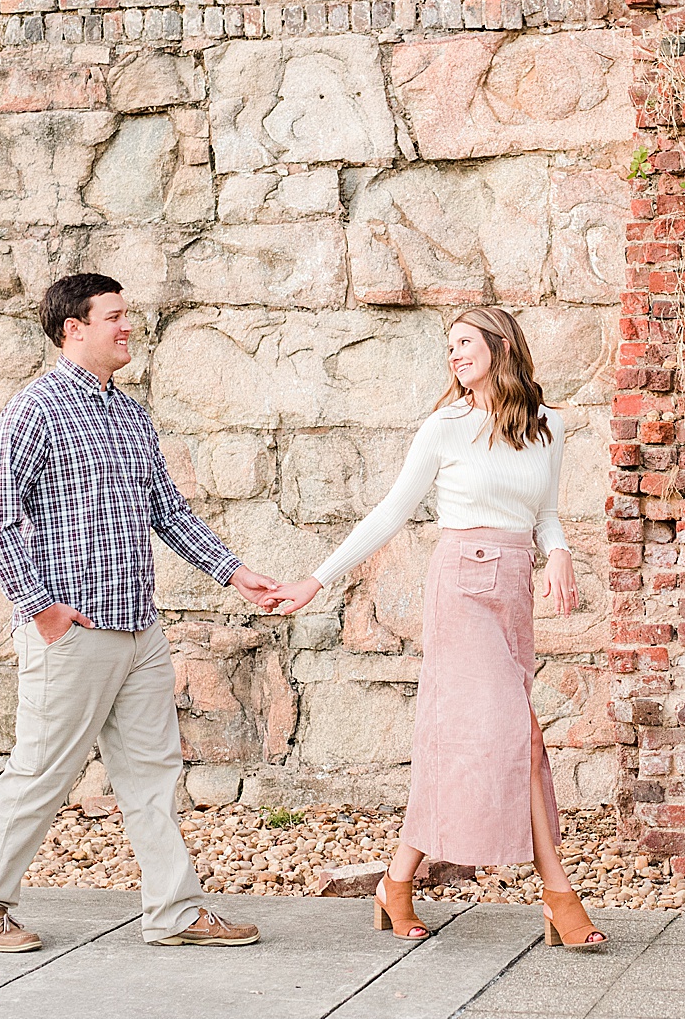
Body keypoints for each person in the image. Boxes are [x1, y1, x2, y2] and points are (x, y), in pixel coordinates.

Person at [0, 273, 279, 952]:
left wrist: (237, 573)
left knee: (154, 776)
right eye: (115, 317)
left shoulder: (129, 413)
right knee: (41, 771)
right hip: (73, 633)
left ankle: (174, 912)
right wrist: (40, 610)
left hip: (139, 630)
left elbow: (167, 511)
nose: (128, 327)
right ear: (74, 327)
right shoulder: (34, 408)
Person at [267, 306, 607, 948]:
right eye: (449, 346)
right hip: (461, 587)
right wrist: (317, 579)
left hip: (513, 589)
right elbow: (391, 512)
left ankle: (396, 881)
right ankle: (560, 895)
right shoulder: (444, 427)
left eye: (465, 343)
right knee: (520, 737)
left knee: (475, 741)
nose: (454, 355)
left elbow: (547, 516)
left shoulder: (547, 427)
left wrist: (557, 551)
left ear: (501, 347)